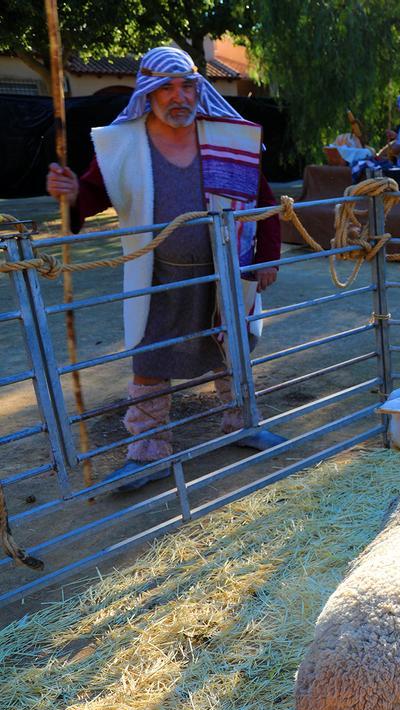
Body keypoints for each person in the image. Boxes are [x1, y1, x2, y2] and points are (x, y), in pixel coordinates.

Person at [45, 46, 283, 492]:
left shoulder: (227, 138)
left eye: (188, 87)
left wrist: (267, 258)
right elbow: (92, 194)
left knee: (233, 349)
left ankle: (243, 424)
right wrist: (72, 190)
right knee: (150, 358)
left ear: (199, 89)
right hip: (157, 275)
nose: (180, 98)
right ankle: (149, 451)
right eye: (167, 88)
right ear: (148, 92)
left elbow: (264, 200)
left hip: (223, 270)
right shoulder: (125, 144)